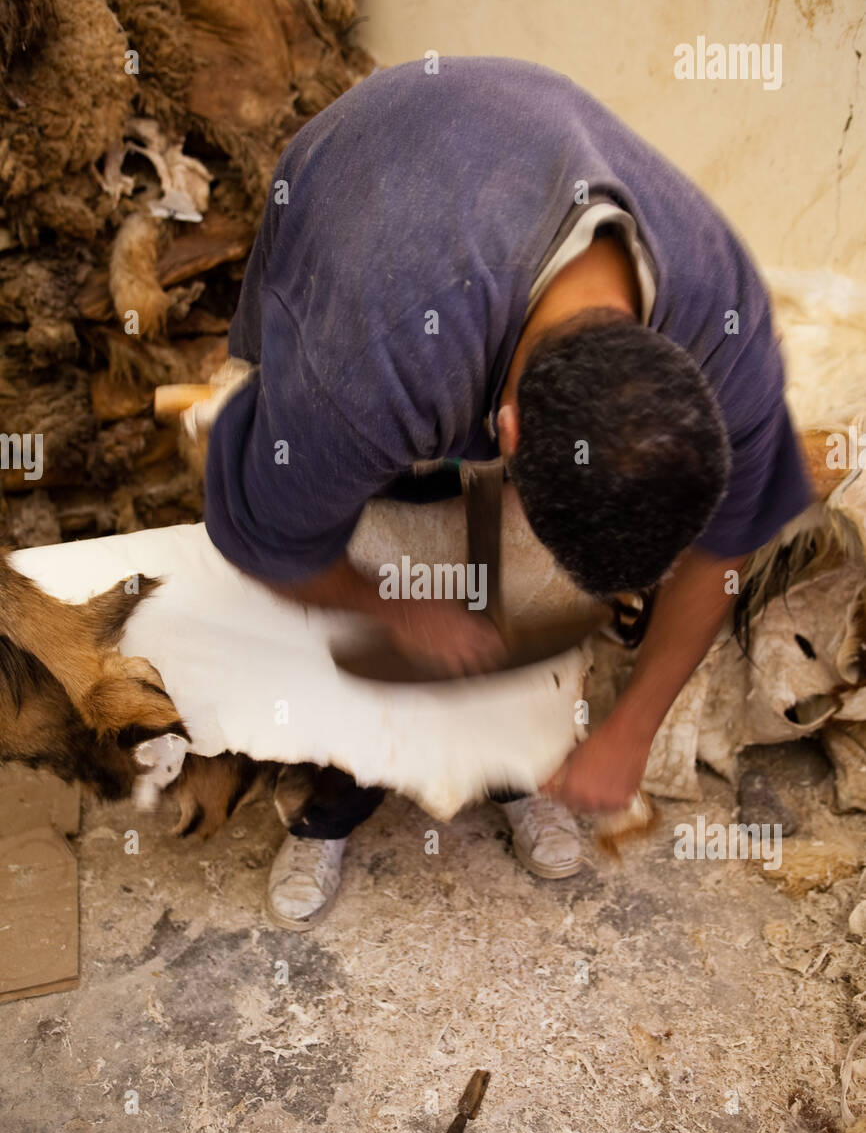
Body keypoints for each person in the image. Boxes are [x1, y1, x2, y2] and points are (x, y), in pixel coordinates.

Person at [204, 56, 810, 929]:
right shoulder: (368, 371)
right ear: (508, 432)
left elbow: (725, 546)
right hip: (365, 167)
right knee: (392, 532)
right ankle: (335, 798)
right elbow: (268, 538)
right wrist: (393, 611)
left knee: (509, 587)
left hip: (508, 162)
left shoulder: (728, 330)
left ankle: (509, 762)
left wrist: (632, 726)